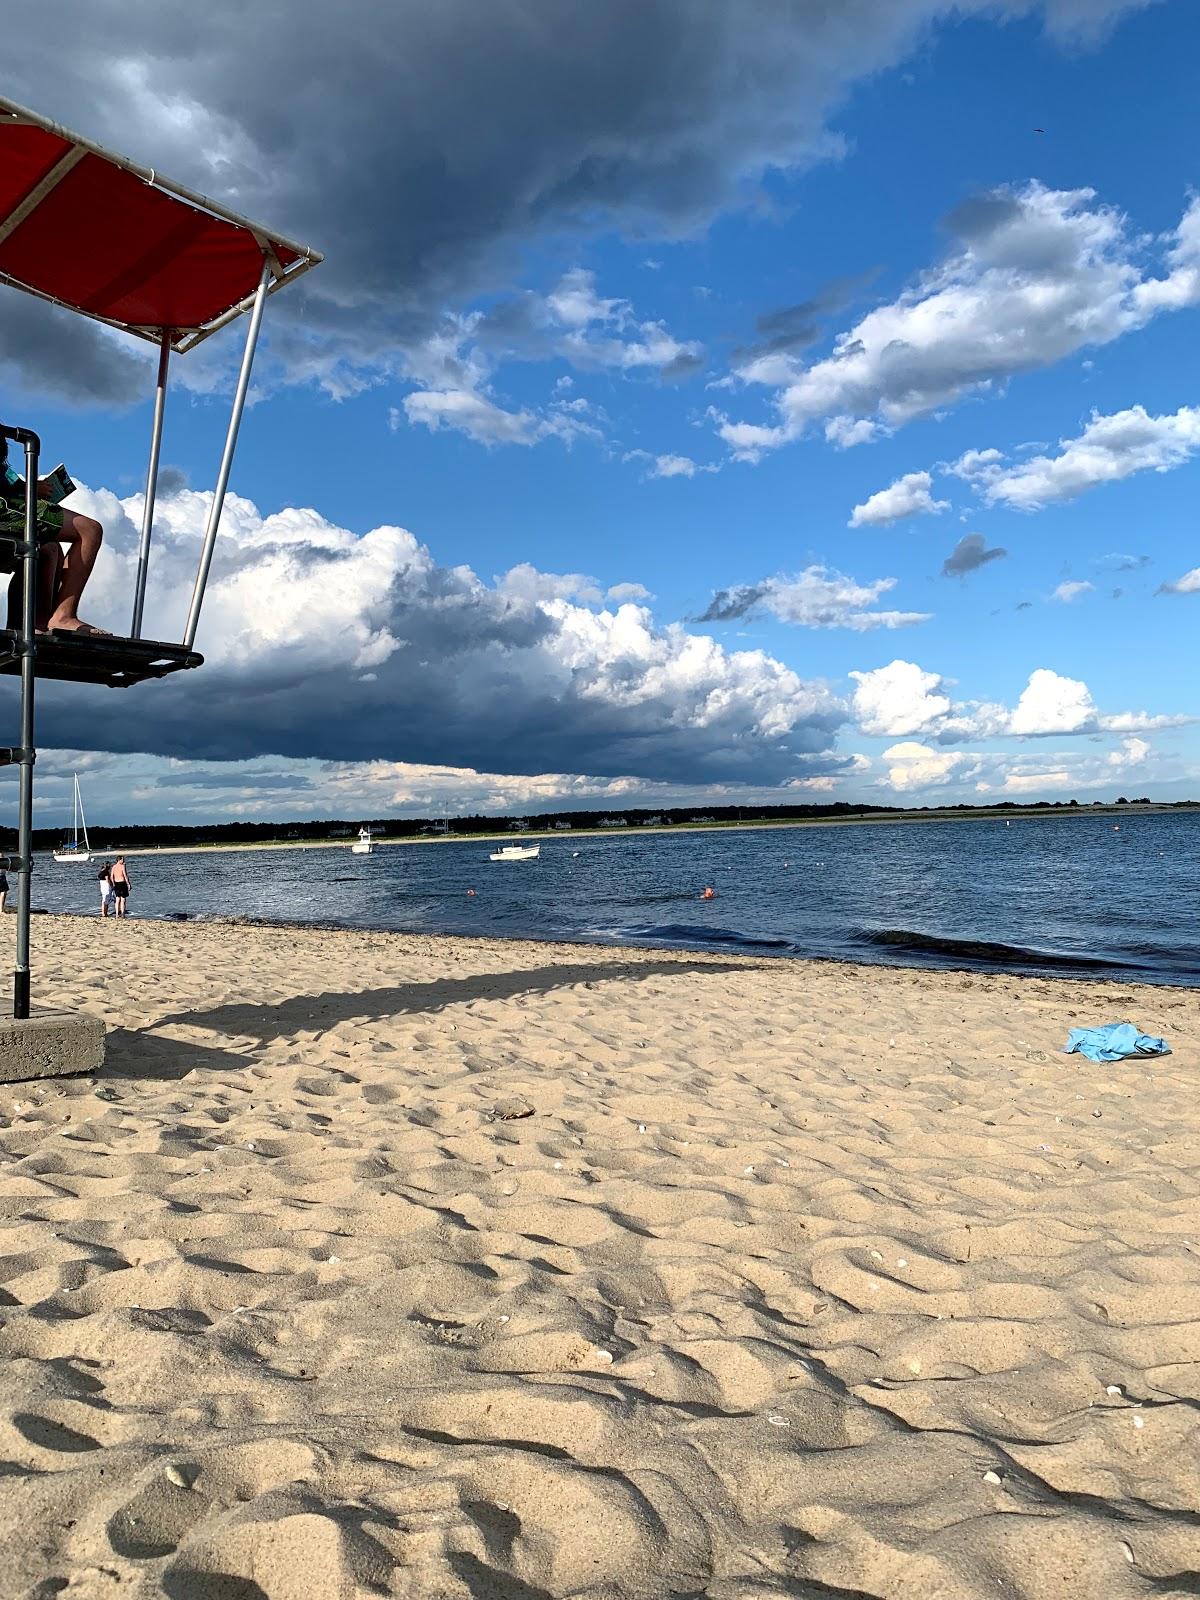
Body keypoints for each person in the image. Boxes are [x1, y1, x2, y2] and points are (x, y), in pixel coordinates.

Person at [1, 439, 107, 635]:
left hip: (9, 499)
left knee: (50, 549)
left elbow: (8, 478)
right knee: (89, 530)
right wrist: (29, 489)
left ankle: (36, 623)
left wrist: (28, 486)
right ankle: (63, 615)